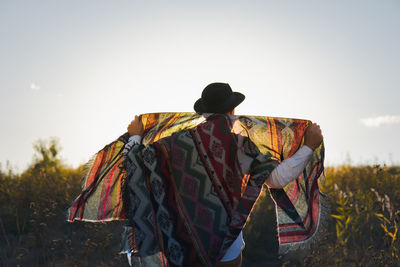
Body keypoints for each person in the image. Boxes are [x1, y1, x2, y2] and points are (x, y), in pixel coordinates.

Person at [123, 82, 323, 266]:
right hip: (226, 252)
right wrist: (308, 146)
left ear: (203, 114)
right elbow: (276, 180)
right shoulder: (239, 145)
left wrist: (135, 136)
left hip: (183, 249)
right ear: (233, 110)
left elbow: (136, 164)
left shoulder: (177, 143)